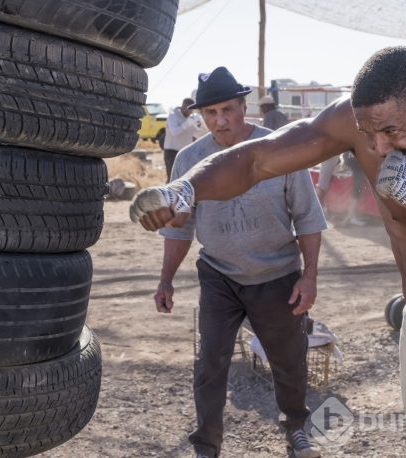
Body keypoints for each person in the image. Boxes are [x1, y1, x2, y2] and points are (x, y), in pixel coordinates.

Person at [130, 47, 406, 457]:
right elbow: (258, 160)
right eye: (369, 135)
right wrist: (185, 189)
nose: (379, 149)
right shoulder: (362, 125)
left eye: (391, 132)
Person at [153, 66, 326, 458]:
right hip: (219, 276)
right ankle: (206, 447)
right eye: (210, 113)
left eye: (228, 110)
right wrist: (166, 279)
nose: (220, 121)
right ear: (200, 115)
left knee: (288, 361)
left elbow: (308, 217)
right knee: (210, 361)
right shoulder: (189, 161)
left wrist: (310, 276)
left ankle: (296, 430)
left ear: (243, 107)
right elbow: (180, 228)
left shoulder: (279, 149)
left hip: (277, 274)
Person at [163, 97, 205, 181]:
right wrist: (188, 123)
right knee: (172, 179)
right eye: (189, 109)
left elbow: (198, 132)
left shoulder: (190, 118)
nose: (190, 111)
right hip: (172, 152)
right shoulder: (173, 116)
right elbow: (175, 132)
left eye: (192, 109)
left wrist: (200, 123)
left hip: (185, 152)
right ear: (183, 106)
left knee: (185, 179)